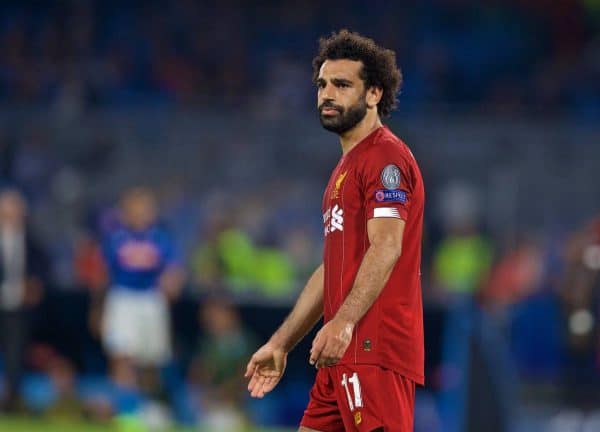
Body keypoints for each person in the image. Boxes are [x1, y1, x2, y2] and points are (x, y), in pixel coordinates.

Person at [245, 30, 425, 432]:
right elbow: (334, 269)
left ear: (374, 94)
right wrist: (281, 343)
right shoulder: (345, 170)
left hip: (372, 348)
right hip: (339, 352)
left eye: (342, 85)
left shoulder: (385, 158)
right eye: (322, 84)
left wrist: (344, 322)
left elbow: (387, 246)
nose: (327, 94)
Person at [97, 187, 184, 395]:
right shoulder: (116, 238)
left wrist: (173, 283)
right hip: (122, 298)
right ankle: (126, 410)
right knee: (121, 355)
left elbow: (174, 269)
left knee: (151, 359)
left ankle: (149, 405)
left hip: (151, 299)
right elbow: (102, 276)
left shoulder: (160, 238)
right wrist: (98, 310)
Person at [0, 189, 49, 411]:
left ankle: (12, 399)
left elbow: (43, 268)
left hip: (18, 306)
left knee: (16, 352)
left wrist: (35, 285)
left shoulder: (32, 240)